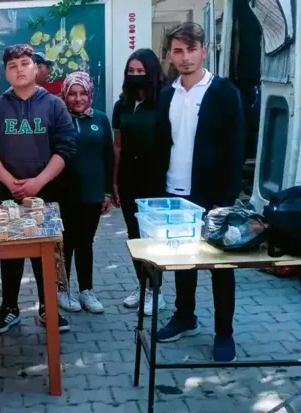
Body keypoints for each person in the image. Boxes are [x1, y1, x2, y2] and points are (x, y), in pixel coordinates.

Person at [154, 22, 245, 362]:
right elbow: (163, 144)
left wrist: (228, 197)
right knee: (182, 261)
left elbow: (237, 149)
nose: (186, 57)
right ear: (170, 55)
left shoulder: (223, 92)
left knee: (221, 267)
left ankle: (224, 334)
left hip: (214, 196)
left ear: (204, 51)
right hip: (175, 191)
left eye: (192, 49)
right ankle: (185, 316)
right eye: (178, 50)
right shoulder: (167, 94)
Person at [0, 44, 76, 334]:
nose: (19, 69)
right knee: (10, 252)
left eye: (24, 63)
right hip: (7, 194)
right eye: (12, 65)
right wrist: (9, 181)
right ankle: (9, 307)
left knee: (45, 251)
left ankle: (48, 306)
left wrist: (38, 182)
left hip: (47, 193)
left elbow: (66, 148)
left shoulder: (54, 105)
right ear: (6, 72)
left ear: (36, 67)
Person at [112, 49, 167, 316]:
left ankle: (157, 290)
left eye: (140, 71)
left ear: (152, 72)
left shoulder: (164, 101)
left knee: (153, 236)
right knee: (135, 236)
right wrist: (113, 181)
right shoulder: (122, 104)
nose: (135, 76)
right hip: (128, 177)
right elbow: (118, 146)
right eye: (131, 71)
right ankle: (142, 285)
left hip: (155, 177)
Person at [57, 71, 113, 313]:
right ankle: (63, 290)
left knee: (85, 243)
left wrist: (108, 192)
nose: (78, 98)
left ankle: (86, 291)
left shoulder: (100, 119)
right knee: (64, 243)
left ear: (90, 94)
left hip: (92, 193)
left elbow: (108, 156)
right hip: (64, 193)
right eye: (72, 93)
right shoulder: (58, 118)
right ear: (65, 95)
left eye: (82, 93)